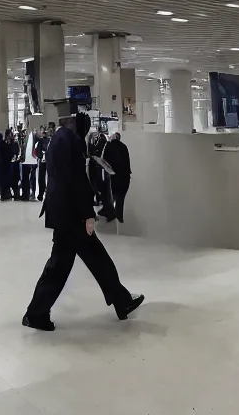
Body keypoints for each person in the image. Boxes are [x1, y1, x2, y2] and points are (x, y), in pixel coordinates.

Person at [23, 112, 144, 331]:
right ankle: (36, 313)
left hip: (61, 211)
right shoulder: (72, 141)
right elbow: (76, 181)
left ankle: (121, 301)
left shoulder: (57, 140)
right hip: (71, 215)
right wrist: (87, 213)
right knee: (90, 260)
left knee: (68, 263)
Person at [102, 132, 131, 222]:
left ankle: (112, 214)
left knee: (113, 196)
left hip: (114, 175)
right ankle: (119, 217)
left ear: (114, 137)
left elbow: (104, 159)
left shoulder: (109, 145)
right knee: (121, 198)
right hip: (125, 176)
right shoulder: (124, 146)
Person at [35, 126, 52, 201]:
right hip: (42, 161)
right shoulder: (41, 141)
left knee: (50, 177)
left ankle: (49, 193)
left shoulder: (51, 140)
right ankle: (41, 194)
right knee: (41, 177)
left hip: (49, 161)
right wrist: (41, 157)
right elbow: (38, 150)